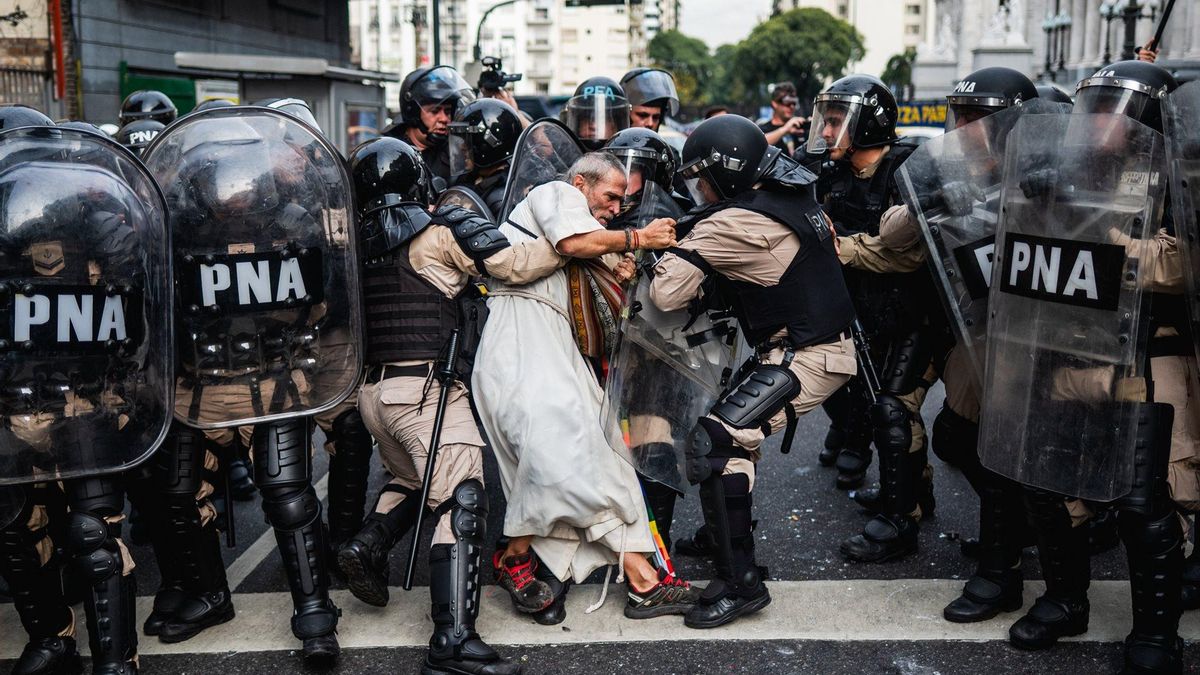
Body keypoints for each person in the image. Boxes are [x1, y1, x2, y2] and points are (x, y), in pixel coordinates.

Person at [979, 60, 1184, 674]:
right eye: (1089, 105)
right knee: (1042, 481)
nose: (1093, 121)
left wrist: (1097, 228)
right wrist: (1028, 202)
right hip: (1065, 349)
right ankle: (1065, 599)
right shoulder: (1065, 171)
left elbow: (1175, 263)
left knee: (1141, 503)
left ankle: (1156, 631)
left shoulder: (1178, 179)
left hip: (1140, 357)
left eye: (1109, 108)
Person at [339, 136, 567, 675]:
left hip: (373, 395)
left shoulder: (353, 241)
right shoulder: (437, 233)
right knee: (461, 501)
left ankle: (367, 547)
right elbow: (511, 266)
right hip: (425, 392)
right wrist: (570, 243)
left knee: (413, 482)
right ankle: (453, 642)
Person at [650, 114, 857, 628]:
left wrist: (672, 245)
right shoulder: (791, 197)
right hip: (808, 344)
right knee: (731, 438)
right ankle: (722, 533)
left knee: (716, 441)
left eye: (703, 179)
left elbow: (665, 293)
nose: (699, 190)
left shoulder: (730, 222)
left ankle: (740, 582)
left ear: (725, 174)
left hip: (806, 355)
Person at [472, 150, 696, 624]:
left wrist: (620, 267)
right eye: (611, 196)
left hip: (552, 345)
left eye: (622, 202)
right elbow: (573, 243)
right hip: (520, 340)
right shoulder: (554, 194)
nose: (616, 208)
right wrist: (638, 238)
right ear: (580, 183)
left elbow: (585, 262)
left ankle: (638, 579)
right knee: (556, 458)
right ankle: (521, 559)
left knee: (602, 459)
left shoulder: (582, 227)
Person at [806, 74, 921, 496]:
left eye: (836, 121)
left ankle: (907, 502)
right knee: (827, 376)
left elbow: (910, 255)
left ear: (867, 124)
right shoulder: (829, 171)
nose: (826, 131)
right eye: (826, 120)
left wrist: (842, 249)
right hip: (845, 303)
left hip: (904, 310)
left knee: (892, 410)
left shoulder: (906, 171)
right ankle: (847, 432)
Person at [385, 66, 477, 184]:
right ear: (413, 112)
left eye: (448, 112)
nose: (444, 119)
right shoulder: (391, 152)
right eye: (435, 111)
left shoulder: (457, 150)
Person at [447, 98, 524, 218]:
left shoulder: (501, 199)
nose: (462, 147)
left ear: (488, 143)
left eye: (467, 139)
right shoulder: (475, 179)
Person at [561, 77, 631, 151]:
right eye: (586, 118)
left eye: (603, 118)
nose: (593, 126)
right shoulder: (565, 156)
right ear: (577, 123)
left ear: (617, 124)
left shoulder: (629, 159)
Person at [621, 67, 680, 132]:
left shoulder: (659, 142)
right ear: (625, 115)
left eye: (656, 117)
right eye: (642, 115)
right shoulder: (611, 141)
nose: (650, 123)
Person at [759, 82, 805, 155]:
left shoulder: (799, 127)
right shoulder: (762, 129)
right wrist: (785, 129)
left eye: (794, 102)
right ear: (775, 103)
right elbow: (758, 144)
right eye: (787, 102)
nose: (791, 106)